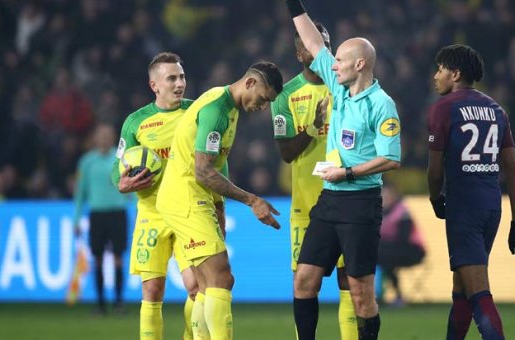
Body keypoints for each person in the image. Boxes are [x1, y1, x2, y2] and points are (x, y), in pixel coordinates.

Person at [284, 1, 402, 338]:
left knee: (361, 292)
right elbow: (312, 42)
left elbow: (391, 159)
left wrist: (347, 173)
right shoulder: (339, 88)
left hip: (361, 204)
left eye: (339, 61)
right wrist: (294, 5)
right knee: (304, 279)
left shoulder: (381, 104)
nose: (332, 65)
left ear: (360, 64)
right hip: (330, 200)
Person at [155, 61, 284, 339]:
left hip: (189, 198)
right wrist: (251, 200)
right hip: (187, 198)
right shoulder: (217, 110)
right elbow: (202, 170)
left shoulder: (226, 106)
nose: (263, 106)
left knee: (205, 285)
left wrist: (219, 209)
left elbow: (217, 162)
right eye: (263, 99)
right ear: (250, 83)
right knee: (222, 277)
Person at [426, 44, 515, 340]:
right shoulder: (496, 110)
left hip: (464, 208)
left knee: (478, 294)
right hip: (491, 207)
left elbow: (435, 170)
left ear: (455, 74)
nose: (435, 76)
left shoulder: (442, 109)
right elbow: (513, 170)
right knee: (462, 289)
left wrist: (435, 198)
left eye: (441, 69)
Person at [112, 52, 216, 340]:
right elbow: (117, 166)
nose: (179, 83)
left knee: (196, 286)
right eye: (172, 78)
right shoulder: (136, 122)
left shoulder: (198, 113)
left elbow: (216, 159)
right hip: (151, 212)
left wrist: (218, 204)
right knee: (152, 289)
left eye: (181, 76)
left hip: (188, 210)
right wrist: (121, 183)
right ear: (154, 85)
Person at [270, 21, 358, 339]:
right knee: (305, 281)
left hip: (348, 200)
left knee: (351, 281)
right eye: (311, 44)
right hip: (307, 207)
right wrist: (312, 127)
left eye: (325, 42)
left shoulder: (348, 87)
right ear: (299, 53)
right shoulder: (286, 96)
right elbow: (286, 153)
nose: (320, 49)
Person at [73, 123, 130, 315]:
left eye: (108, 134)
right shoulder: (87, 162)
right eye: (101, 135)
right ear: (95, 138)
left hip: (118, 214)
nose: (104, 138)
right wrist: (76, 219)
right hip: (97, 215)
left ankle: (119, 303)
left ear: (113, 137)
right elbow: (80, 193)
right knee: (97, 259)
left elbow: (133, 187)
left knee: (118, 259)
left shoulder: (122, 158)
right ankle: (100, 304)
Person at [377, 183, 425, 307]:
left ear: (394, 196)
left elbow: (403, 238)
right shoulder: (378, 212)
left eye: (387, 195)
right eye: (382, 195)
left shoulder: (402, 213)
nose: (385, 198)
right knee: (379, 256)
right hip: (388, 251)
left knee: (384, 258)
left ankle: (398, 296)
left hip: (412, 250)